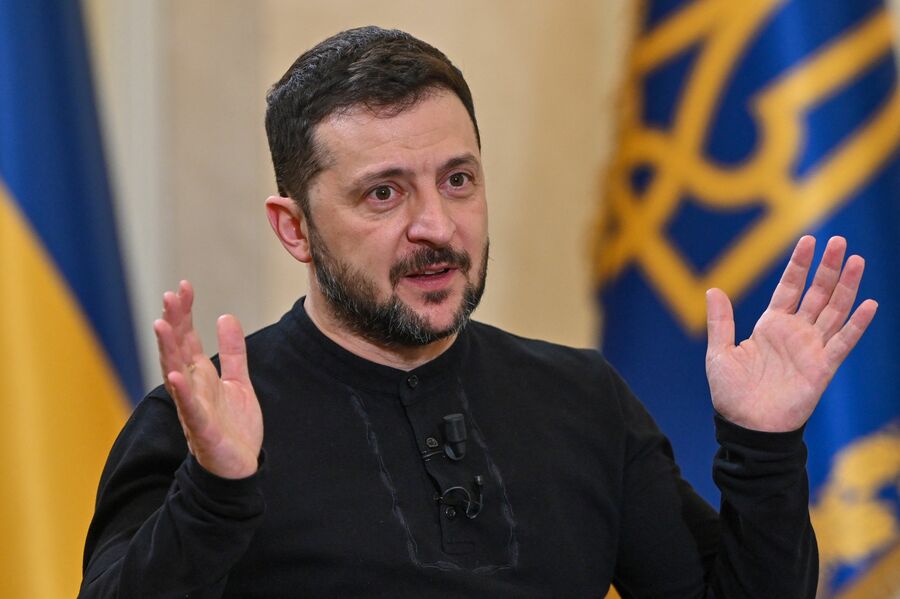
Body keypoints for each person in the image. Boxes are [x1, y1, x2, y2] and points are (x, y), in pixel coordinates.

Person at [79, 26, 877, 598]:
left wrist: (764, 448)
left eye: (457, 180)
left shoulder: (583, 400)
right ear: (295, 229)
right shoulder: (202, 423)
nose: (437, 225)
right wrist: (215, 494)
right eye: (384, 193)